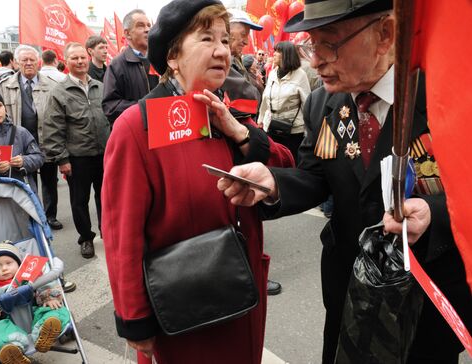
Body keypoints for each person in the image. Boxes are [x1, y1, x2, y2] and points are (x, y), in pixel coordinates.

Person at [218, 1, 472, 363]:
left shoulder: (443, 94)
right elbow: (315, 177)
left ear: (385, 34)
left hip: (425, 294)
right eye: (311, 43)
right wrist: (273, 182)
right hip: (349, 285)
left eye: (330, 44)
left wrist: (432, 212)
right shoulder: (323, 102)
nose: (317, 60)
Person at [101, 1, 293, 362]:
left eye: (224, 38)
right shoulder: (135, 126)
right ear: (173, 56)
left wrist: (240, 134)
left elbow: (285, 167)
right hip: (182, 312)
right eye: (207, 39)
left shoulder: (224, 111)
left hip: (241, 295)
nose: (222, 50)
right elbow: (121, 232)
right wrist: (135, 318)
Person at [42, 42, 110, 259]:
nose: (80, 61)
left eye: (82, 57)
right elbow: (52, 128)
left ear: (88, 58)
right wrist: (62, 159)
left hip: (103, 154)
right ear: (66, 61)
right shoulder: (59, 92)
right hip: (77, 158)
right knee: (79, 201)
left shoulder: (100, 86)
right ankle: (86, 238)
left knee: (105, 198)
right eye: (74, 58)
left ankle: (107, 233)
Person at [0, 45, 64, 231]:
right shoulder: (5, 86)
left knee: (50, 181)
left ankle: (50, 216)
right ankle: (33, 214)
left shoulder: (51, 85)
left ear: (38, 62)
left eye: (32, 60)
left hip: (47, 141)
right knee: (26, 181)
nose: (28, 63)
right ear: (17, 62)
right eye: (24, 60)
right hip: (20, 145)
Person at [0, 242, 70, 363]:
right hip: (6, 324)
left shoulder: (29, 276)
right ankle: (12, 352)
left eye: (9, 263)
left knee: (54, 310)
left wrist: (49, 297)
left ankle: (44, 334)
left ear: (19, 264)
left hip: (35, 315)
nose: (4, 268)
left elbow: (46, 285)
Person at [102, 9, 159, 126]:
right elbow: (110, 106)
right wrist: (144, 108)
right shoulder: (117, 65)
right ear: (127, 33)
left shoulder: (159, 60)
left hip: (161, 130)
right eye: (140, 26)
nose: (148, 29)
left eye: (149, 25)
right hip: (136, 132)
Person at [258, 41, 311, 161]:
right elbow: (265, 98)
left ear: (287, 55)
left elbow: (306, 104)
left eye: (278, 51)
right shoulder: (272, 74)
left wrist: (308, 132)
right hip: (271, 127)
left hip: (293, 131)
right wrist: (260, 119)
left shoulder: (300, 75)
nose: (274, 54)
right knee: (274, 161)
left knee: (291, 162)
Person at [222, 9, 263, 120]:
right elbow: (253, 98)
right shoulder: (223, 59)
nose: (246, 42)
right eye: (243, 34)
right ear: (226, 30)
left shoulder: (234, 58)